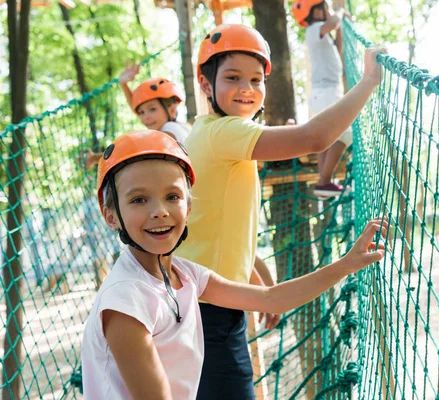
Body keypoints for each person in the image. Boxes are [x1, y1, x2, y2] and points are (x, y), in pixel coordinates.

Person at [80, 129, 387, 400]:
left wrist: (346, 264)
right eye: (138, 200)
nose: (159, 211)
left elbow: (271, 298)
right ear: (111, 216)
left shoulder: (185, 275)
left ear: (188, 206)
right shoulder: (125, 303)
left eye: (172, 196)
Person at [176, 23, 386, 398]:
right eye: (233, 77)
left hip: (205, 304)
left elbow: (212, 223)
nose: (247, 89)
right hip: (210, 315)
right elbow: (314, 138)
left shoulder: (209, 132)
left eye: (257, 80)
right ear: (206, 86)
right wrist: (369, 81)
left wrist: (255, 274)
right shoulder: (225, 133)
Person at [292, 0, 352, 197]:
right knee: (345, 133)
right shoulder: (314, 29)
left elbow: (338, 51)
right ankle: (324, 181)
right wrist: (340, 12)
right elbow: (333, 22)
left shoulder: (320, 34)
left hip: (324, 92)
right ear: (316, 11)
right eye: (324, 7)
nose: (328, 11)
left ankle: (323, 181)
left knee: (327, 136)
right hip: (326, 91)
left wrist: (341, 28)